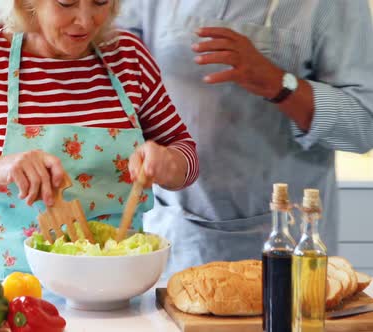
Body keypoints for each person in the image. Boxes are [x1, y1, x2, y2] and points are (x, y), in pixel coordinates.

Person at [0, 0, 199, 278]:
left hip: (116, 289)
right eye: (66, 3)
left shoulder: (129, 58)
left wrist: (169, 163)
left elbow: (185, 155)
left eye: (100, 2)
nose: (86, 20)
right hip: (3, 291)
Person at [117, 0, 373, 276]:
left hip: (285, 249)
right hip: (173, 237)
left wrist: (278, 83)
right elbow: (110, 69)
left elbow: (364, 126)